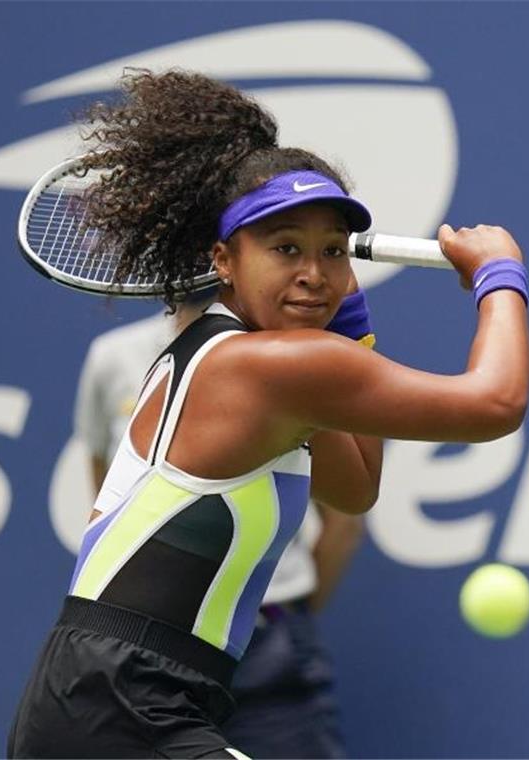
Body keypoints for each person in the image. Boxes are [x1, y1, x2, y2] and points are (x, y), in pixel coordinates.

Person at [8, 69, 529, 759]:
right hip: (120, 705)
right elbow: (495, 403)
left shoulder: (250, 358)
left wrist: (352, 329)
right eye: (286, 248)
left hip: (111, 701)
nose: (313, 272)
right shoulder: (268, 368)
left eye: (332, 253)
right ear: (223, 259)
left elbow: (356, 486)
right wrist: (500, 274)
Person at [73, 297, 363, 758]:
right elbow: (107, 504)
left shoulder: (303, 361)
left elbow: (346, 518)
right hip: (145, 661)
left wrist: (267, 614)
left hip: (272, 650)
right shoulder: (112, 358)